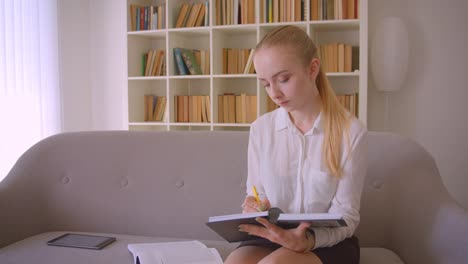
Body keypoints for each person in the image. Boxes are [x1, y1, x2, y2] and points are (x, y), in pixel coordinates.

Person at [224, 25, 367, 264]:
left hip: (325, 242)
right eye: (266, 84)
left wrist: (307, 241)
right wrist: (254, 206)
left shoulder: (350, 132)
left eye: (283, 79)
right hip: (272, 235)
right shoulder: (261, 129)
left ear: (313, 69)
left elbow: (347, 217)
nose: (274, 94)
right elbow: (257, 193)